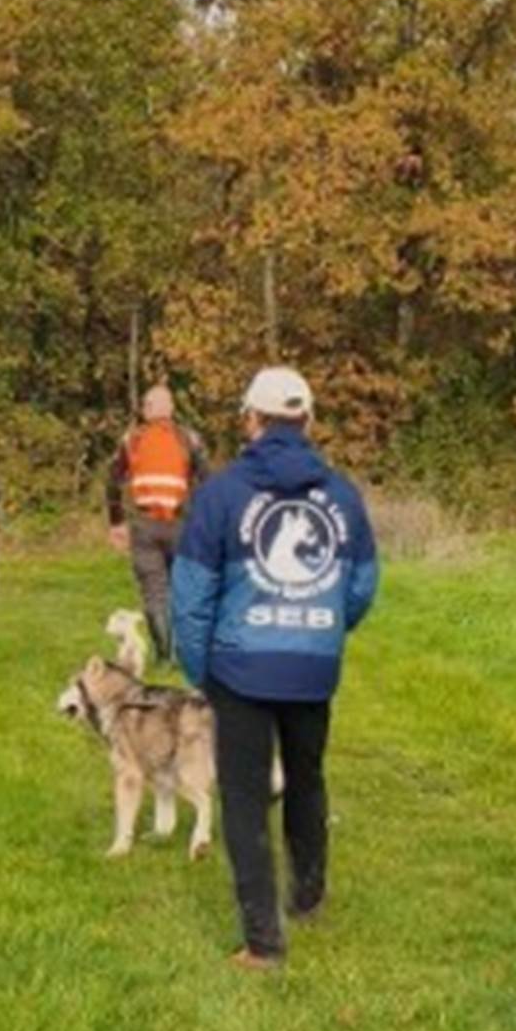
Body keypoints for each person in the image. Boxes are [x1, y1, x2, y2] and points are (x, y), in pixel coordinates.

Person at [171, 367, 379, 970]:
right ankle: (308, 897)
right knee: (308, 779)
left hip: (239, 669)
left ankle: (264, 942)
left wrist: (198, 667)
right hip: (313, 666)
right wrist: (327, 631)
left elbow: (191, 595)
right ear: (308, 421)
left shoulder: (221, 495)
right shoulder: (342, 495)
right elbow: (361, 583)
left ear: (251, 421)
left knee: (242, 796)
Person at [106, 384, 209, 662]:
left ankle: (164, 656)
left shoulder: (132, 439)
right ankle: (185, 651)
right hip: (182, 524)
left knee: (154, 591)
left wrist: (116, 521)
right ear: (172, 408)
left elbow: (113, 480)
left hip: (144, 523)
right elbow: (206, 481)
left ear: (147, 409)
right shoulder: (190, 438)